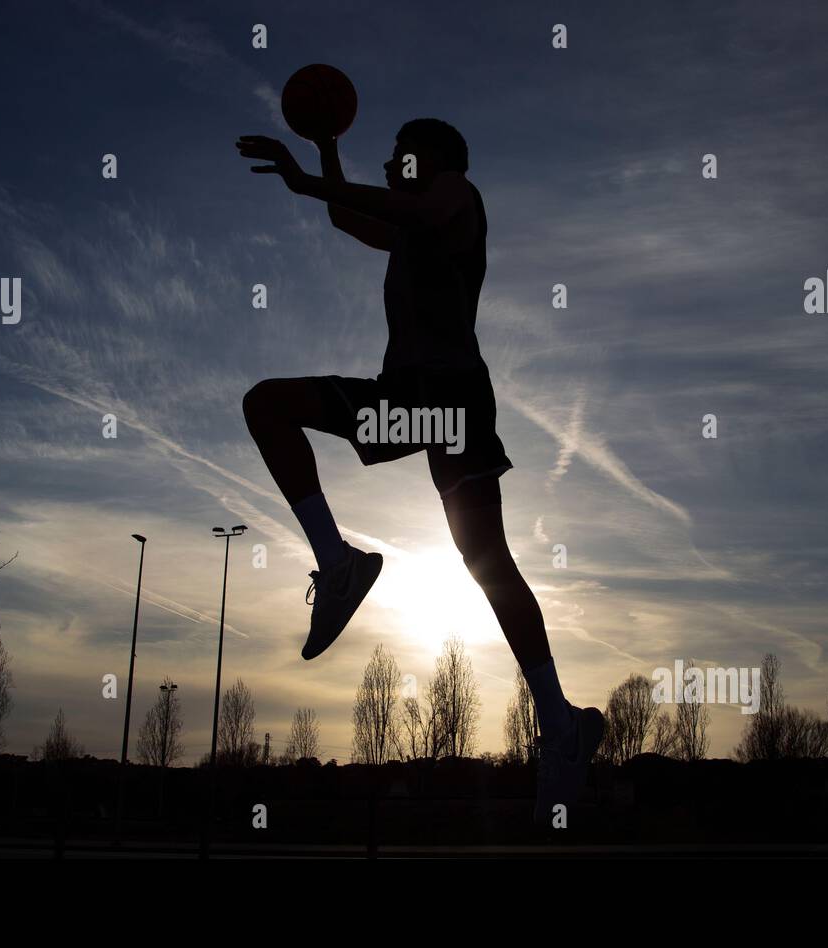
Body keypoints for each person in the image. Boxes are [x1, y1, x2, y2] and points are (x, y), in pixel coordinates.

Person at [235, 119, 603, 822]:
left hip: (447, 398)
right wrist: (322, 146)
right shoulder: (411, 224)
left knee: (486, 560)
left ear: (439, 158)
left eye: (407, 145)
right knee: (269, 407)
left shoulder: (454, 194)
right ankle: (561, 722)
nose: (395, 155)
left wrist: (313, 175)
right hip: (416, 403)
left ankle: (557, 725)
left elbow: (396, 206)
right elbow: (351, 213)